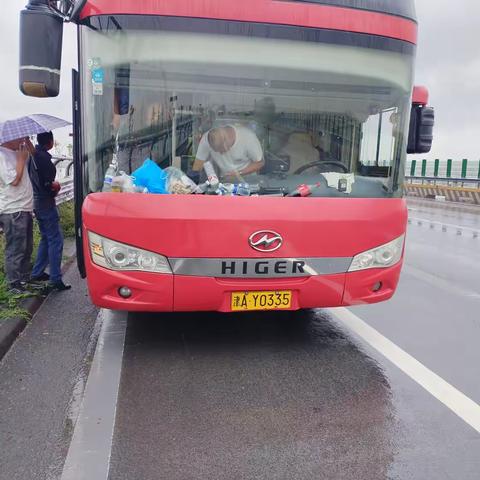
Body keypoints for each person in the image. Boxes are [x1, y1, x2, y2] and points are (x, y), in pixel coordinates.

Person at [28, 131, 71, 291]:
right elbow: (48, 184)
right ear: (50, 142)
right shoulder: (43, 158)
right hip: (46, 203)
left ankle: (37, 272)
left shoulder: (31, 157)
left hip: (36, 202)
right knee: (56, 240)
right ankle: (55, 278)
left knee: (46, 238)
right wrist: (56, 187)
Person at [0, 137, 34, 294]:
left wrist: (27, 144)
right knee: (16, 249)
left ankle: (24, 280)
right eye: (19, 136)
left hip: (24, 207)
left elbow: (35, 156)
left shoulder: (16, 152)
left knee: (26, 247)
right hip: (13, 209)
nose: (21, 139)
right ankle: (14, 285)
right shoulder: (2, 155)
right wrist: (21, 160)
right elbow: (13, 180)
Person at [192, 124, 264, 180]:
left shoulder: (248, 138)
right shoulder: (206, 139)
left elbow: (260, 163)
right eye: (216, 150)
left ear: (227, 141)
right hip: (226, 181)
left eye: (221, 149)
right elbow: (198, 165)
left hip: (249, 180)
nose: (220, 153)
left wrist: (239, 173)